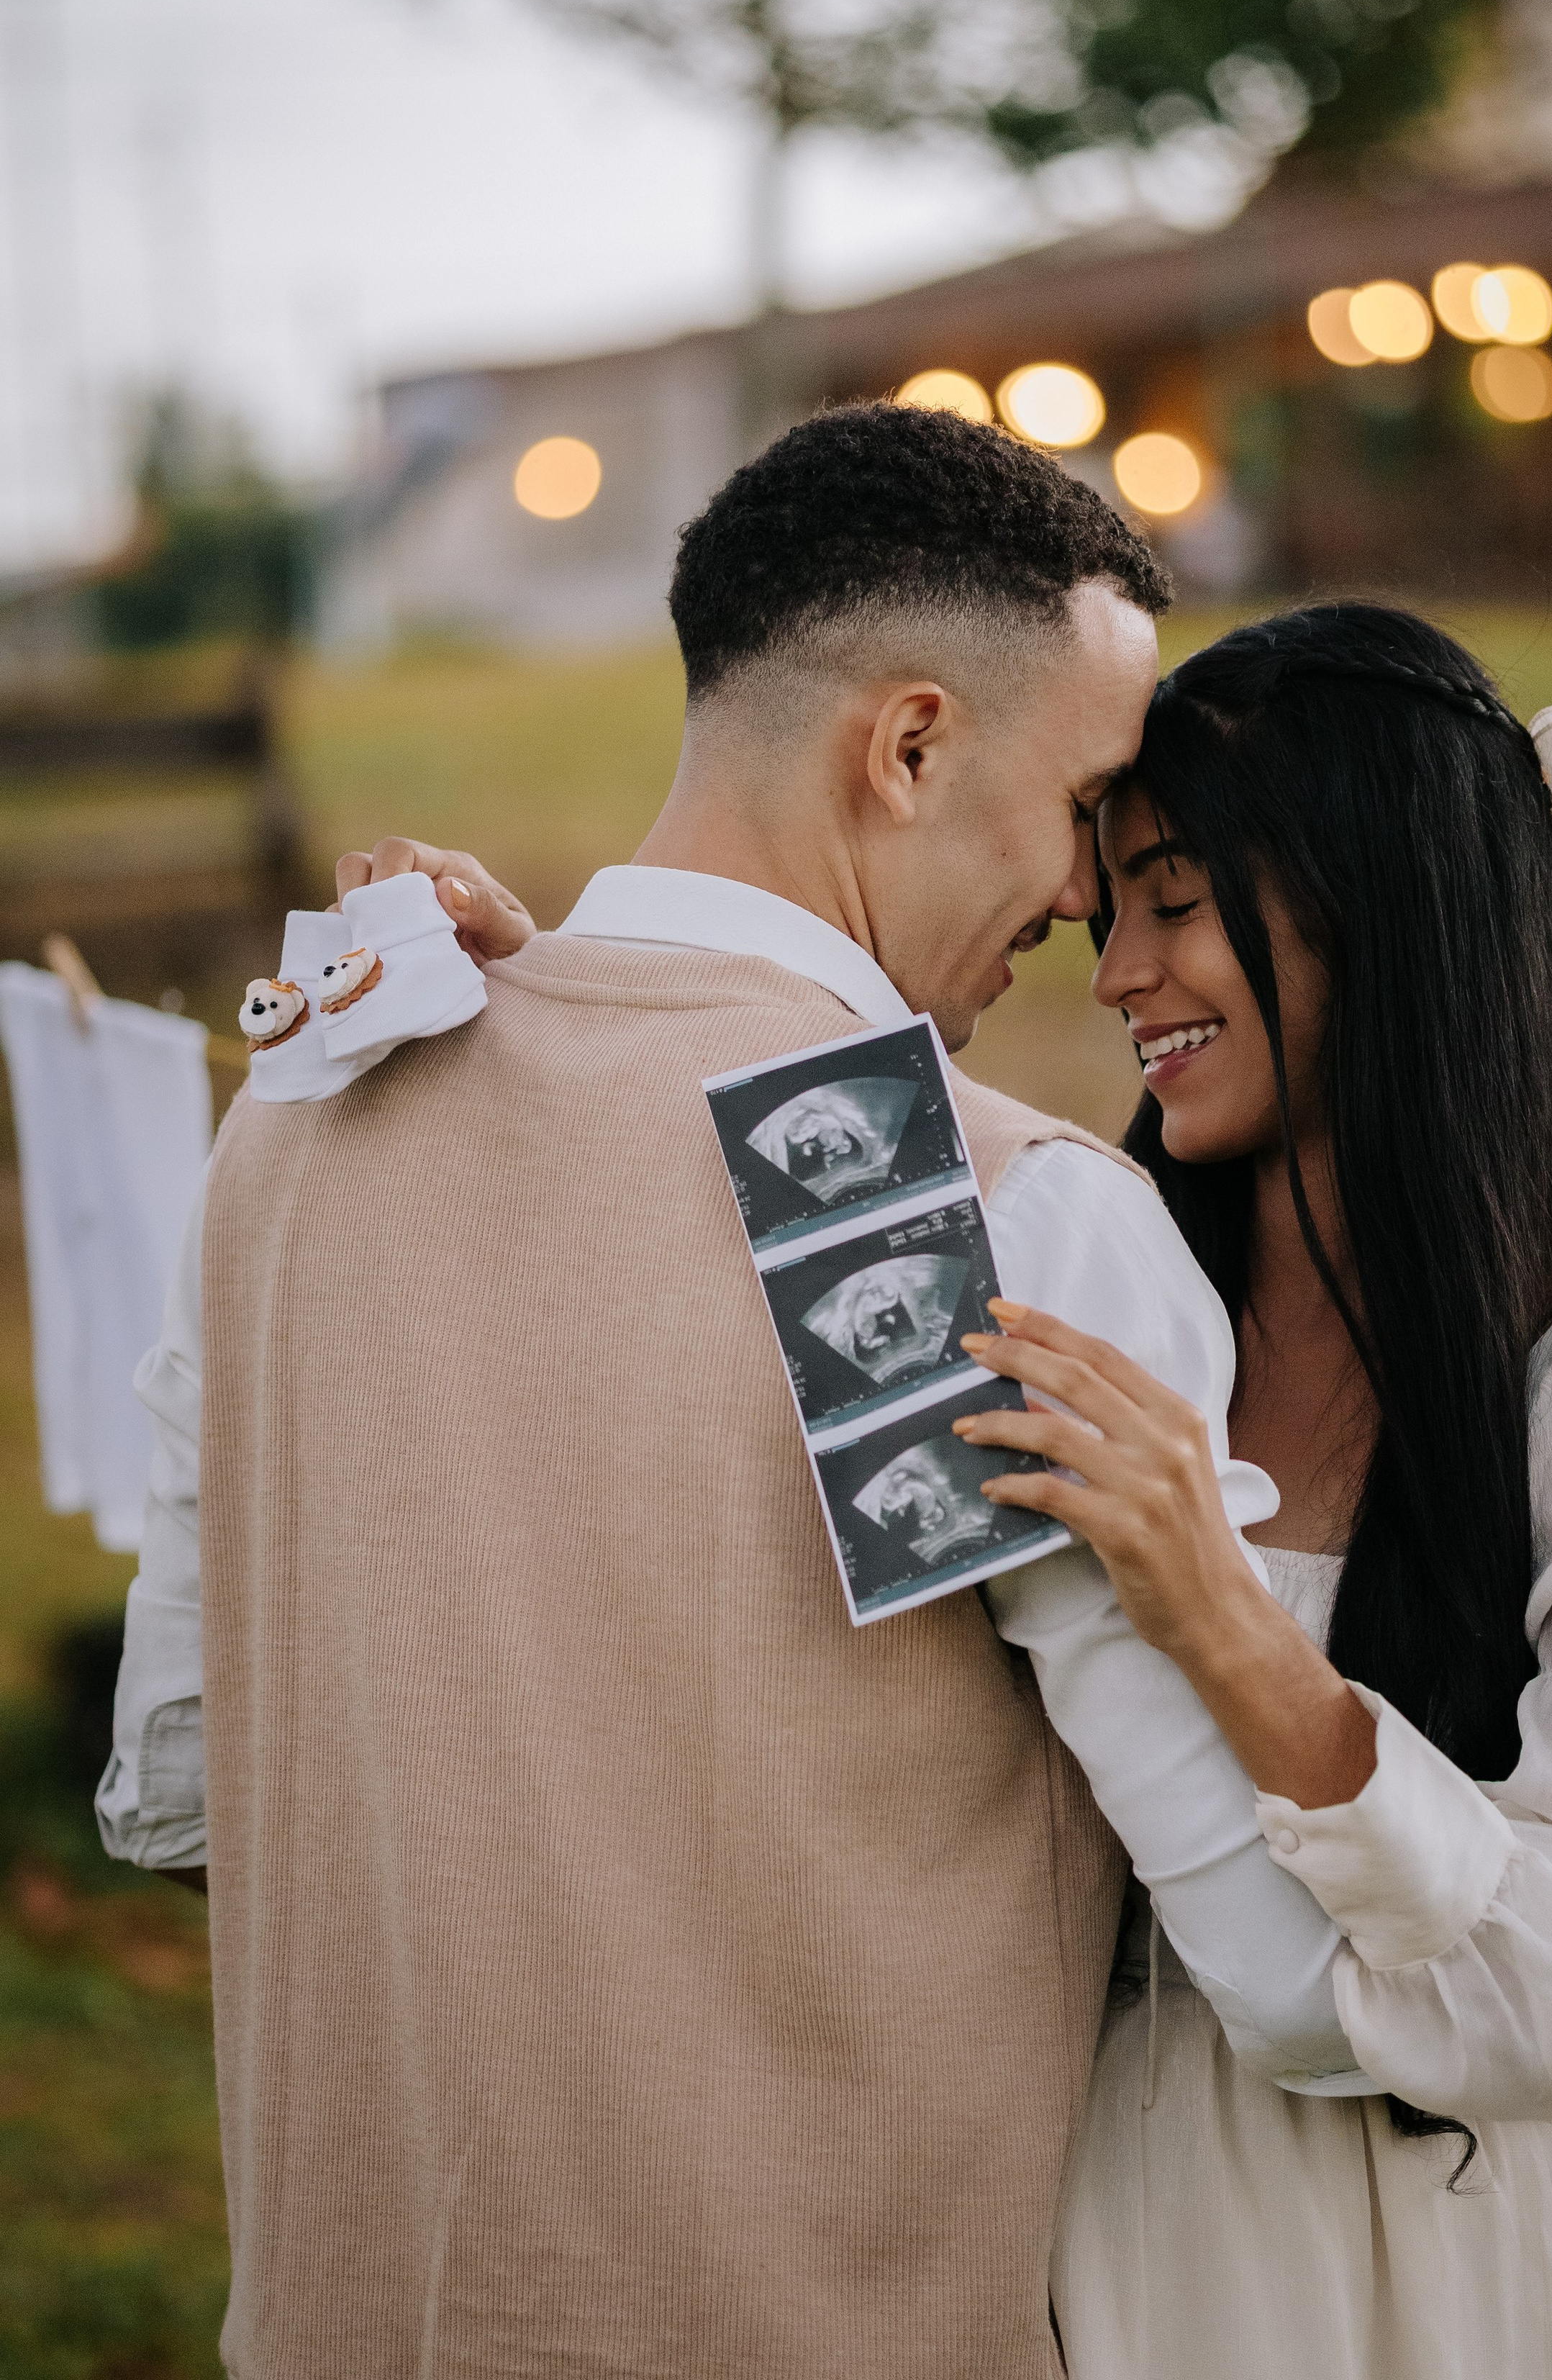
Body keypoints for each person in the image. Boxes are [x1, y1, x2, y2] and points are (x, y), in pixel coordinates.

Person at [101, 407, 1378, 2380]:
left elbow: (186, 1784)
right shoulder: (1009, 1212)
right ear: (915, 746)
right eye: (1084, 810)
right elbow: (1273, 1970)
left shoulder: (297, 1115)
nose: (1085, 908)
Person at [949, 603, 1552, 2380]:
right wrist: (535, 994)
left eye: (1172, 901)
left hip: (1428, 2270)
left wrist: (1216, 1611)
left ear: (1376, 903)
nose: (1114, 976)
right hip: (1087, 2234)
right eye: (1109, 916)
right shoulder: (1124, 1313)